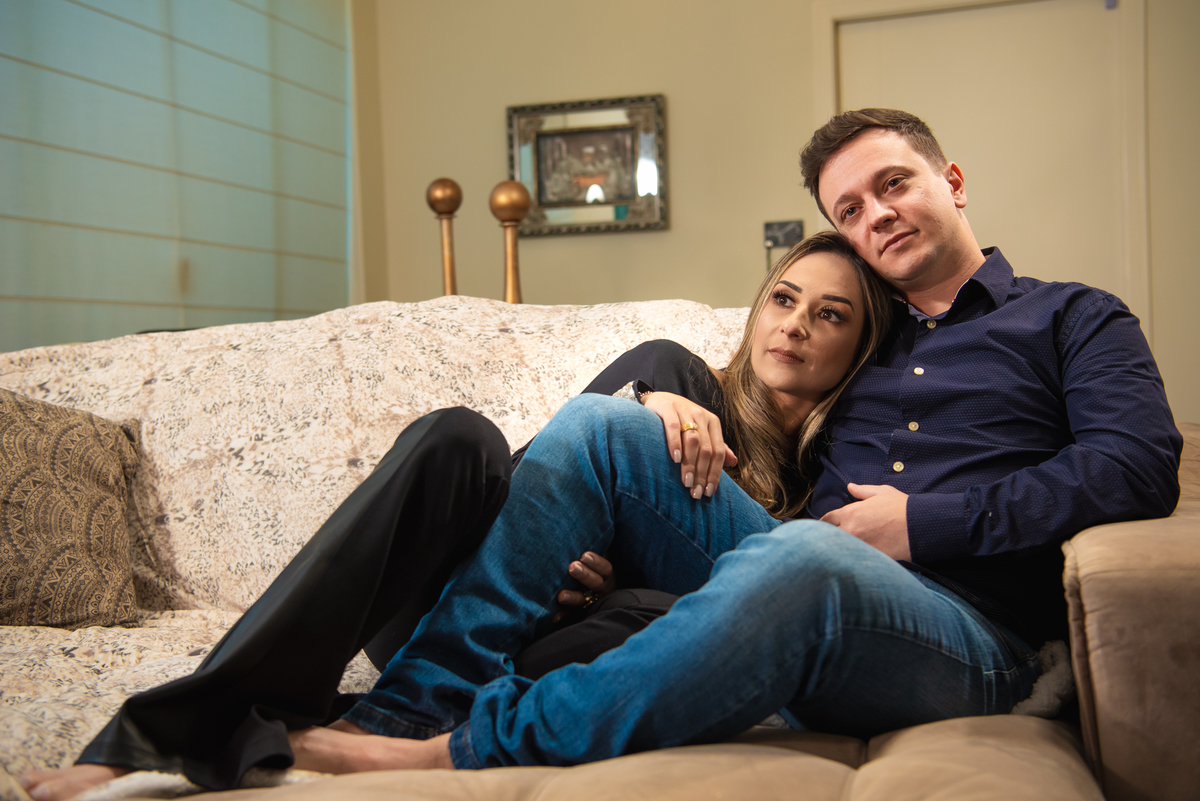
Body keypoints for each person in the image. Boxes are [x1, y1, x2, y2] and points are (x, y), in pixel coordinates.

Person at [21, 230, 892, 800]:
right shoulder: (676, 372)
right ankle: (174, 727)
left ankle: (386, 722)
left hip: (559, 651)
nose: (795, 325)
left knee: (648, 612)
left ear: (860, 347)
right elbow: (532, 483)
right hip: (449, 608)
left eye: (830, 315)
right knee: (458, 441)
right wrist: (641, 405)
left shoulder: (826, 481)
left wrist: (603, 584)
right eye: (784, 299)